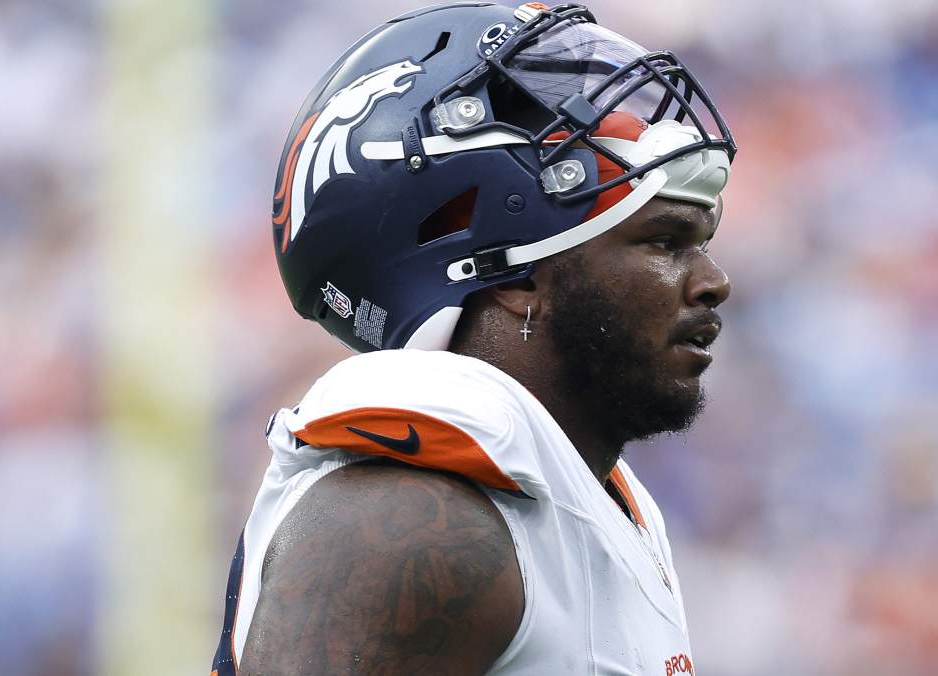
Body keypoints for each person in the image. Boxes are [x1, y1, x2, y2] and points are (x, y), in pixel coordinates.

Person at [211, 2, 735, 674]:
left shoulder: (579, 491)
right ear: (518, 276)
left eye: (701, 242)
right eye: (663, 242)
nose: (714, 282)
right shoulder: (411, 519)